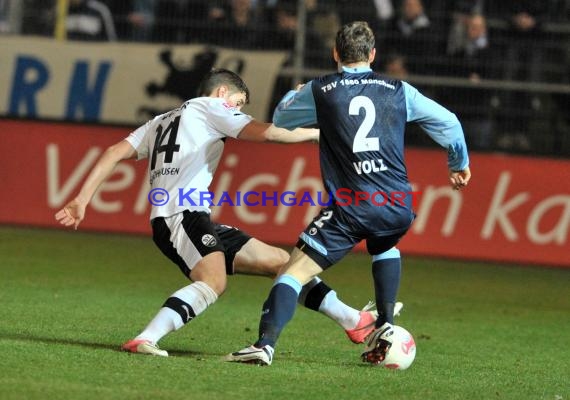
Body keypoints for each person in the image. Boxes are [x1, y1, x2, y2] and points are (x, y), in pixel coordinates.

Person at [54, 68, 400, 357]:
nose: (237, 109)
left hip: (193, 217)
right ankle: (147, 337)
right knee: (213, 282)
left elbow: (113, 151)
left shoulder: (161, 120)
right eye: (237, 103)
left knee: (282, 263)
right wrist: (320, 134)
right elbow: (268, 133)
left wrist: (82, 198)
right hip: (180, 217)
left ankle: (354, 321)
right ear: (222, 93)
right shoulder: (211, 108)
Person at [227, 21, 471, 366]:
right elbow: (449, 123)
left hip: (353, 205)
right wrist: (458, 163)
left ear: (335, 54)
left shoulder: (322, 89)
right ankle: (386, 323)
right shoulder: (399, 89)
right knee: (385, 243)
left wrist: (293, 94)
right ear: (373, 55)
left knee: (291, 273)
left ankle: (264, 345)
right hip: (397, 203)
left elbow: (282, 119)